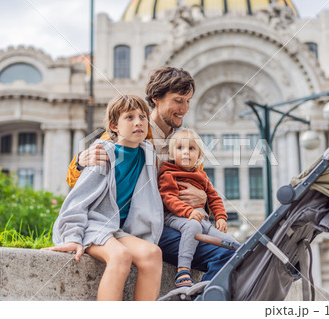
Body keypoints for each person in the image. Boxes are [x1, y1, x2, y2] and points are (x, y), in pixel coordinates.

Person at [66, 67, 234, 282]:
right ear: (156, 98)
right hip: (145, 225)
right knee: (224, 253)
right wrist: (80, 161)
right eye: (178, 100)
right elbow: (76, 179)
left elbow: (201, 182)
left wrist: (204, 200)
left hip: (180, 221)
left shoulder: (183, 139)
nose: (184, 109)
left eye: (188, 101)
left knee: (235, 250)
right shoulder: (133, 129)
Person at [43, 95, 164, 301]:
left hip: (116, 229)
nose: (138, 122)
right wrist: (72, 237)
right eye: (129, 117)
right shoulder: (103, 154)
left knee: (152, 254)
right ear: (114, 126)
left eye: (143, 117)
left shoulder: (147, 155)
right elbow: (78, 199)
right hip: (92, 225)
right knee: (120, 256)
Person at [158, 129, 239, 287]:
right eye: (180, 148)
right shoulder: (169, 174)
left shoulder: (202, 176)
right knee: (193, 225)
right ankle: (183, 270)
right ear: (171, 154)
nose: (186, 152)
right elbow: (168, 198)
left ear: (199, 156)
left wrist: (221, 217)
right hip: (176, 217)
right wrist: (188, 211)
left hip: (203, 222)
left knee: (232, 243)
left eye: (191, 148)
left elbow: (214, 197)